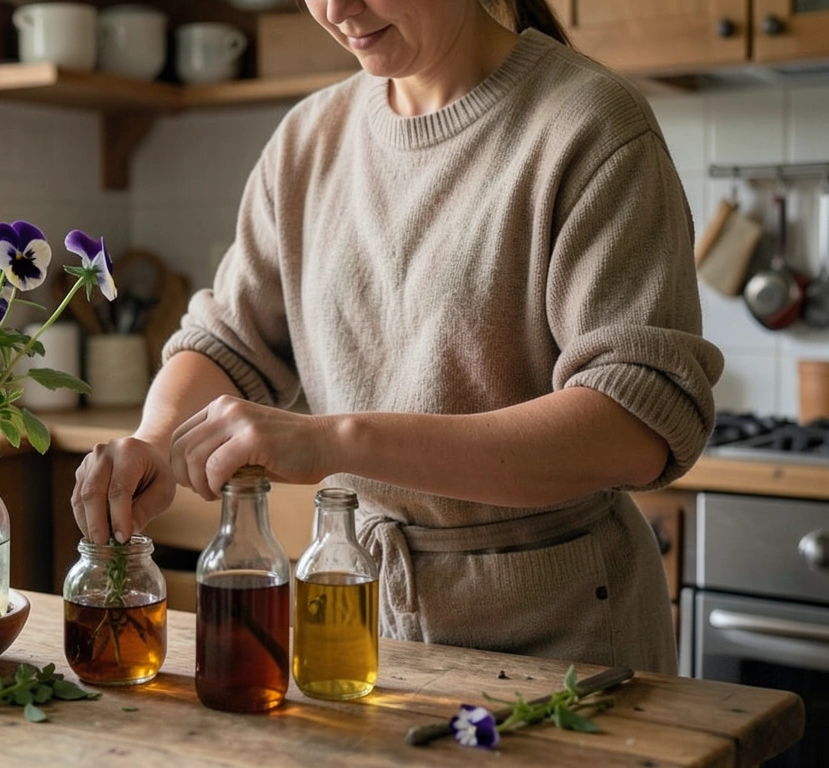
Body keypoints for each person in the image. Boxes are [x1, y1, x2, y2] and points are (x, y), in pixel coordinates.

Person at [71, 0, 722, 675]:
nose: (334, 9)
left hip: (566, 645)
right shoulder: (307, 142)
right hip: (367, 634)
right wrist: (154, 440)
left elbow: (634, 428)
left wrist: (334, 441)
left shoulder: (589, 123)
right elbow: (226, 344)